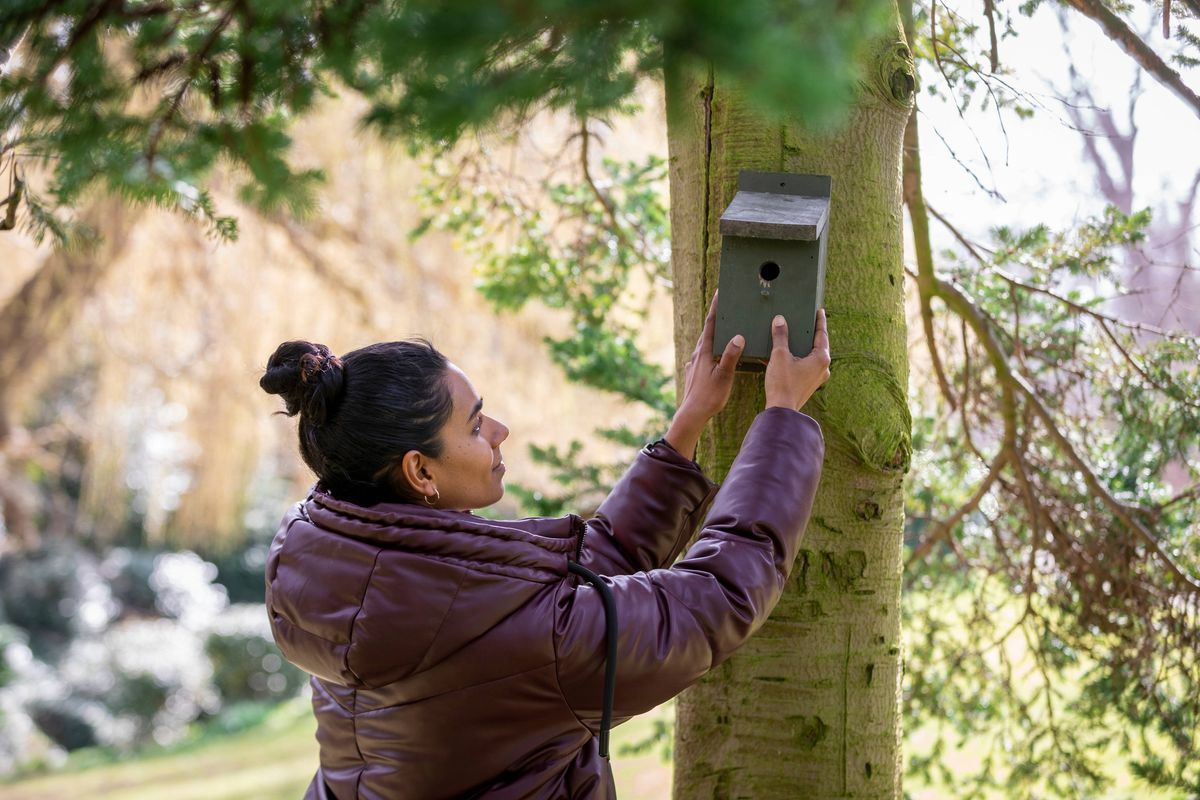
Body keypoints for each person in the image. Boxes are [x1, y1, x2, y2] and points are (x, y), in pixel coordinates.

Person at [261, 297, 831, 799]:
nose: (501, 431)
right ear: (420, 471)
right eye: (477, 423)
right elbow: (720, 595)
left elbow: (576, 587)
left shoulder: (340, 570)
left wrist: (687, 425)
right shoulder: (525, 632)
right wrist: (781, 417)